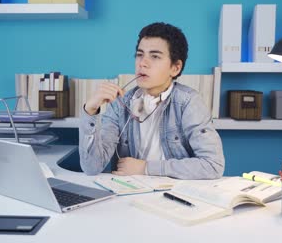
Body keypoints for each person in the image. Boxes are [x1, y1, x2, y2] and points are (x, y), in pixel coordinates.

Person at [79, 22, 224, 180]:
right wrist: (90, 111)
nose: (142, 63)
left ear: (175, 68)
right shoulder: (120, 104)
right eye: (140, 54)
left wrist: (146, 167)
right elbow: (91, 167)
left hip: (175, 195)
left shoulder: (188, 102)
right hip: (130, 193)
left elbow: (213, 165)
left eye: (155, 56)